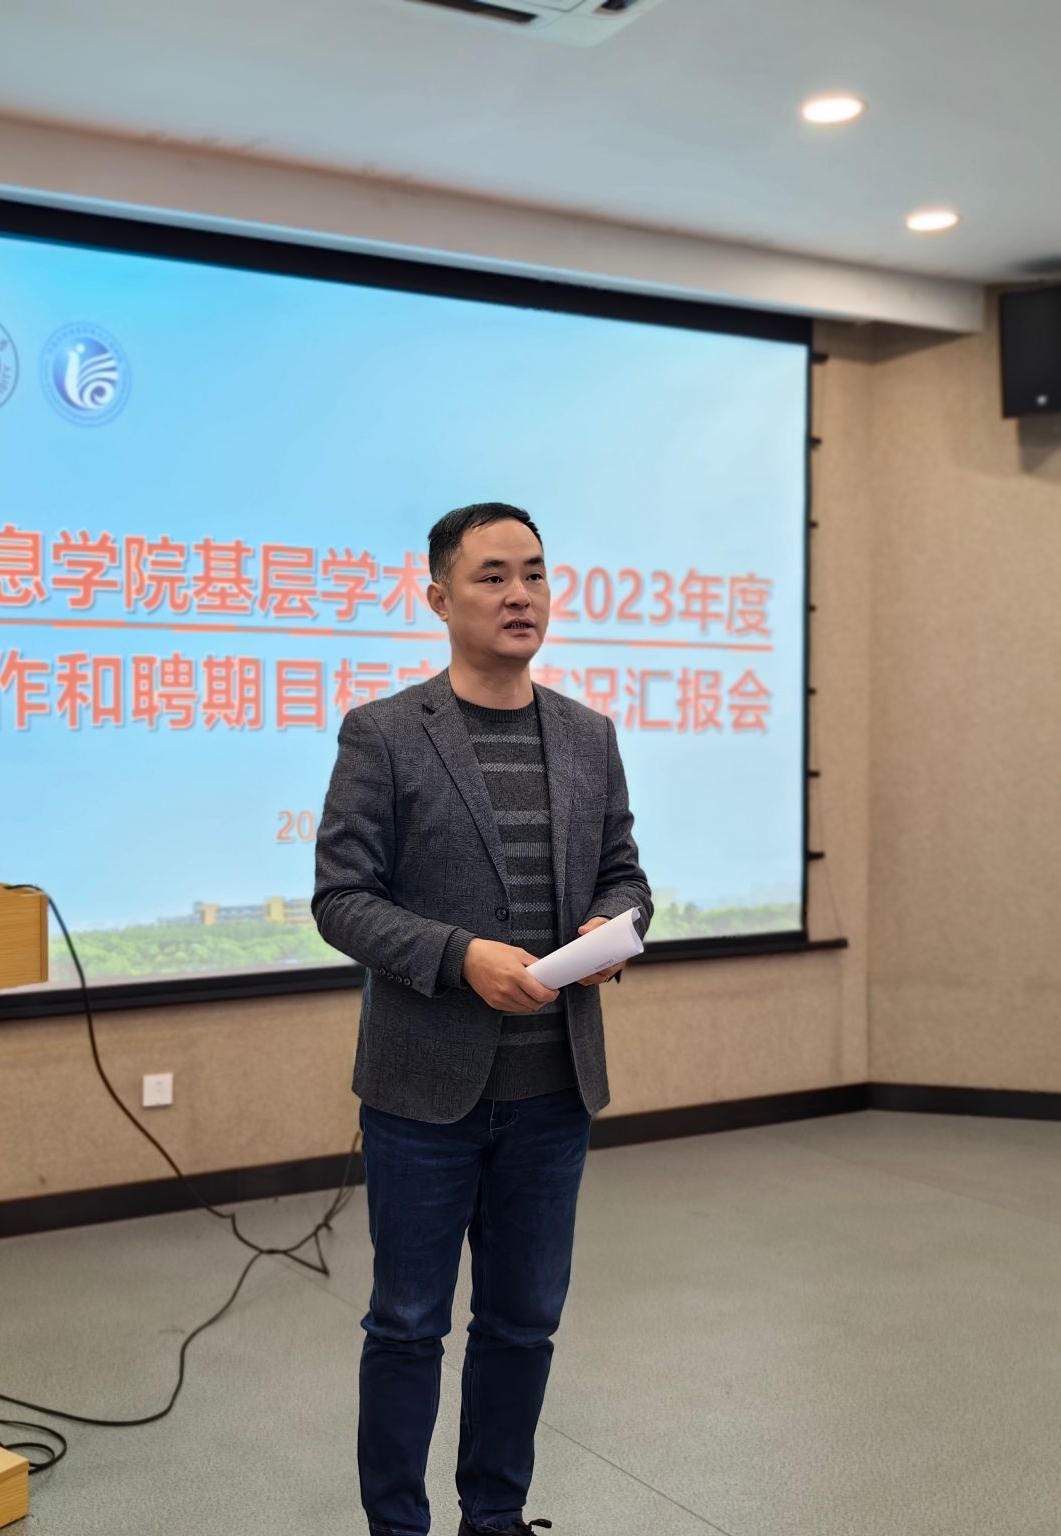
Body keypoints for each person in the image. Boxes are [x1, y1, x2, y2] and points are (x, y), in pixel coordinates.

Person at [313, 502, 652, 1536]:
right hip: (424, 1094)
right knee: (407, 1325)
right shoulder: (383, 733)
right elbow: (341, 900)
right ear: (438, 598)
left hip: (553, 1092)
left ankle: (494, 1519)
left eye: (534, 574)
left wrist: (613, 925)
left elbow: (626, 875)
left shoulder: (588, 736)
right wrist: (460, 957)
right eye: (492, 576)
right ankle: (397, 1527)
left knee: (521, 1324)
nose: (519, 596)